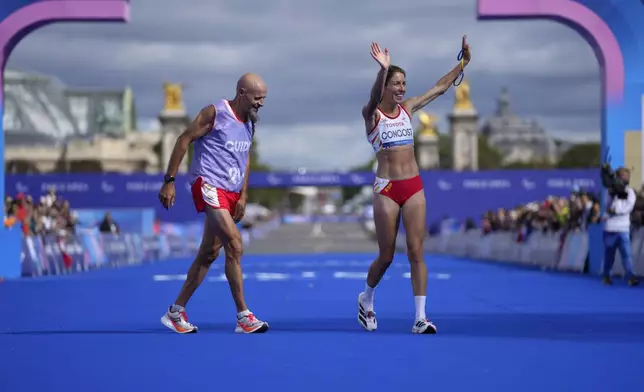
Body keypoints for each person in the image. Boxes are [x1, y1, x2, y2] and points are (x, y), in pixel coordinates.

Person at [357, 38, 471, 334]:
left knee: (416, 251)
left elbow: (439, 88)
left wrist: (462, 64)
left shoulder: (408, 108)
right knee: (386, 256)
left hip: (413, 186)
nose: (401, 89)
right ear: (384, 87)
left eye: (403, 84)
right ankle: (366, 297)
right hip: (387, 189)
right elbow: (372, 97)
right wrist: (382, 70)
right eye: (396, 83)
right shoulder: (372, 114)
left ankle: (420, 317)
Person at [158, 73, 270, 334]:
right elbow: (183, 139)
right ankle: (244, 316)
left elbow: (245, 158)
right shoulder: (215, 113)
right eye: (257, 98)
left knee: (209, 254)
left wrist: (242, 195)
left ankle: (175, 311)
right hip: (208, 185)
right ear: (241, 93)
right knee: (235, 244)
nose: (261, 104)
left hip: (231, 192)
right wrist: (169, 180)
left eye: (264, 99)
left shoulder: (250, 122)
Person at [602, 167, 639, 286]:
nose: (625, 178)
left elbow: (628, 207)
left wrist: (616, 210)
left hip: (623, 228)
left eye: (626, 176)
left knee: (626, 254)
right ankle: (606, 275)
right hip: (610, 227)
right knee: (609, 255)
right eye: (622, 176)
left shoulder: (630, 192)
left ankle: (631, 276)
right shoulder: (609, 191)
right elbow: (607, 205)